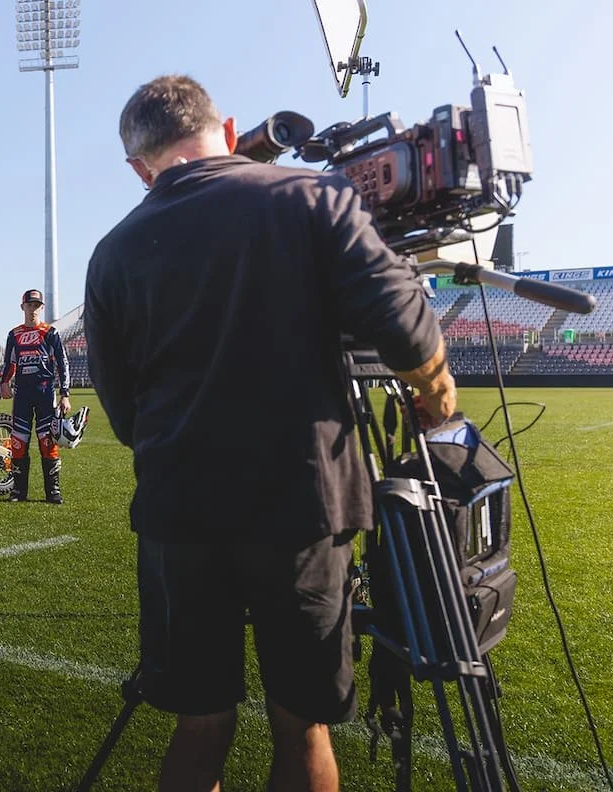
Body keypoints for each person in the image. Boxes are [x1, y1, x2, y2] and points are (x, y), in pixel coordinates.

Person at [83, 75, 457, 792]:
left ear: (138, 167)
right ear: (228, 132)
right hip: (301, 504)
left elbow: (123, 412)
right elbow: (406, 326)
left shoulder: (112, 251)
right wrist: (438, 395)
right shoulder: (311, 196)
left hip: (178, 512)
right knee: (303, 723)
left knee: (199, 726)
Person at [0, 289, 71, 504]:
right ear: (22, 307)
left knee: (47, 441)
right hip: (22, 394)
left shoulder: (51, 333)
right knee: (18, 442)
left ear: (42, 307)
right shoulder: (14, 334)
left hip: (45, 393)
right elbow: (9, 362)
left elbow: (62, 363)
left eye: (37, 305)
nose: (33, 309)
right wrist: (4, 382)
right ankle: (18, 492)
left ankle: (53, 492)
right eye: (29, 305)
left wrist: (65, 394)